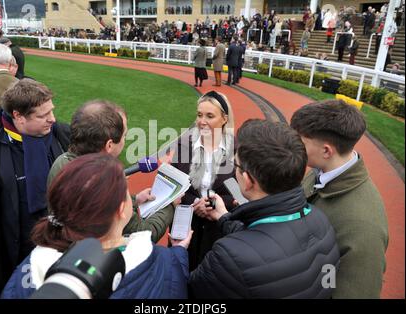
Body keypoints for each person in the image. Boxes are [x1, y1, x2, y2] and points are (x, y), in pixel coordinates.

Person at [1, 153, 192, 299]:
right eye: (127, 192)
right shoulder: (165, 263)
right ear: (121, 209)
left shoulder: (27, 269)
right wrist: (178, 252)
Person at [189, 119, 340, 298]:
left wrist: (176, 253)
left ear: (247, 180)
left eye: (235, 165)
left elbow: (185, 291)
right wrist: (224, 217)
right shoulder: (319, 218)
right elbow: (269, 241)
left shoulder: (229, 256)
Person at [0, 79, 70, 298]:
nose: (52, 119)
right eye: (43, 115)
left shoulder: (61, 135)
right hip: (7, 257)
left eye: (52, 111)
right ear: (18, 116)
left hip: (58, 251)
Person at [290, 100, 388, 298]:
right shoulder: (322, 170)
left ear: (326, 151)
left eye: (299, 141)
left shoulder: (363, 225)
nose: (292, 146)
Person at [47, 100, 177, 244]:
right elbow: (143, 235)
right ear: (109, 145)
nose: (124, 140)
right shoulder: (106, 182)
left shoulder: (61, 162)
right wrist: (170, 205)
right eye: (124, 135)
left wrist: (134, 200)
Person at [171, 91, 235, 271]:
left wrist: (209, 205)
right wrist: (195, 204)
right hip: (186, 226)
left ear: (224, 119)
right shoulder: (184, 145)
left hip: (219, 230)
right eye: (199, 115)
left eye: (209, 116)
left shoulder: (238, 150)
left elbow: (240, 195)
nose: (202, 121)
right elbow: (175, 187)